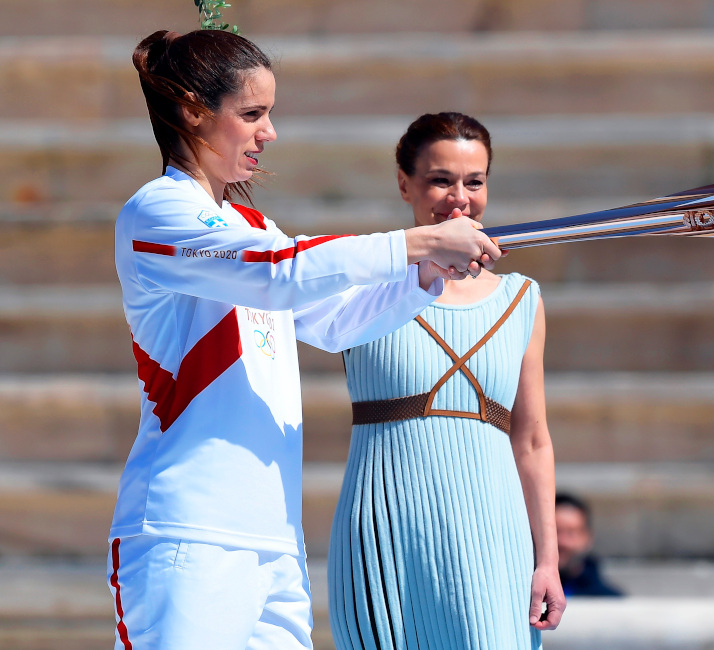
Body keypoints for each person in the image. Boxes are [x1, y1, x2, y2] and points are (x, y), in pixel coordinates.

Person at [108, 31, 501, 650]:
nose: (269, 133)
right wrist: (420, 242)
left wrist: (422, 277)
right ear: (191, 110)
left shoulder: (253, 225)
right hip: (189, 531)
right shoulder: (157, 213)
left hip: (275, 536)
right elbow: (281, 270)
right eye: (252, 115)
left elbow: (338, 319)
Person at [328, 112, 564, 649]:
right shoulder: (365, 280)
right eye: (440, 180)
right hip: (386, 527)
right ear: (404, 183)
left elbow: (531, 440)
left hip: (493, 532)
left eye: (474, 182)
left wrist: (546, 559)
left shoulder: (522, 299)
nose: (459, 198)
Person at [555, 492, 623, 597]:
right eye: (555, 532)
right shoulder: (525, 596)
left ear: (588, 537)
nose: (562, 541)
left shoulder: (610, 600)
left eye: (571, 533)